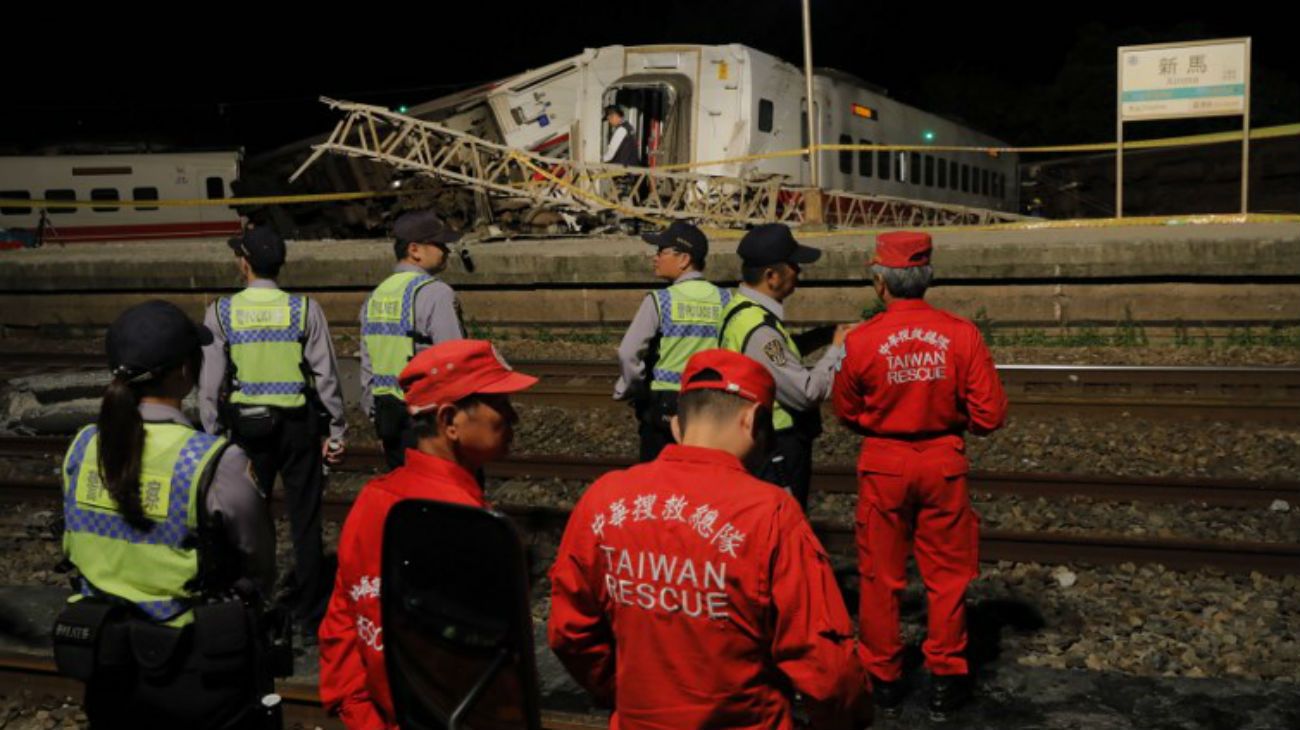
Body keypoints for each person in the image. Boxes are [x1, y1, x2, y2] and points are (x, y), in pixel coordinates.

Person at [549, 349, 870, 730]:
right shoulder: (770, 514)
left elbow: (570, 632)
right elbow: (828, 671)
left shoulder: (605, 498)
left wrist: (623, 691)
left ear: (677, 428)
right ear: (753, 421)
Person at [55, 300, 281, 729]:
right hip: (192, 664)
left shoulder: (83, 445)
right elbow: (257, 558)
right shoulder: (212, 460)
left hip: (105, 654)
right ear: (183, 371)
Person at [832, 231, 1008, 716]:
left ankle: (883, 678)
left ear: (880, 282)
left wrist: (880, 421)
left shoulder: (862, 340)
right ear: (926, 277)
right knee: (948, 577)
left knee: (879, 575)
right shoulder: (960, 334)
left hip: (885, 464)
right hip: (942, 463)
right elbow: (990, 415)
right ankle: (945, 680)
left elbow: (845, 410)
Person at [319, 340, 537, 729]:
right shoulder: (469, 525)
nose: (513, 417)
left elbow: (343, 625)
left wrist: (364, 719)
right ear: (450, 420)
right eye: (499, 404)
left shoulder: (375, 500)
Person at [198, 226, 347, 640]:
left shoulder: (221, 312)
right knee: (306, 520)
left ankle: (251, 607)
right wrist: (336, 428)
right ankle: (312, 616)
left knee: (246, 519)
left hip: (247, 431)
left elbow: (210, 385)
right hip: (299, 428)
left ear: (244, 263)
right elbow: (326, 376)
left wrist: (211, 436)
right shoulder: (304, 310)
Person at [717, 223, 851, 508]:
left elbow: (778, 357)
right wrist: (836, 349)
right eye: (793, 265)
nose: (799, 272)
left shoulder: (741, 310)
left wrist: (823, 335)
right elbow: (806, 393)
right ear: (771, 276)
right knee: (783, 525)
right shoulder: (760, 331)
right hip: (777, 446)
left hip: (760, 440)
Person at [360, 210, 467, 469]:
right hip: (428, 419)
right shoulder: (436, 294)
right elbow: (453, 361)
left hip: (388, 416)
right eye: (439, 244)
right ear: (415, 250)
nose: (446, 251)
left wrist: (375, 415)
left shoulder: (376, 296)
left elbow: (367, 364)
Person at [614, 221, 730, 462]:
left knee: (659, 477)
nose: (655, 258)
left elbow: (628, 353)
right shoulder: (726, 299)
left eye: (661, 251)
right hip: (709, 402)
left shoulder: (660, 300)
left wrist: (632, 388)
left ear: (684, 259)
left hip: (664, 406)